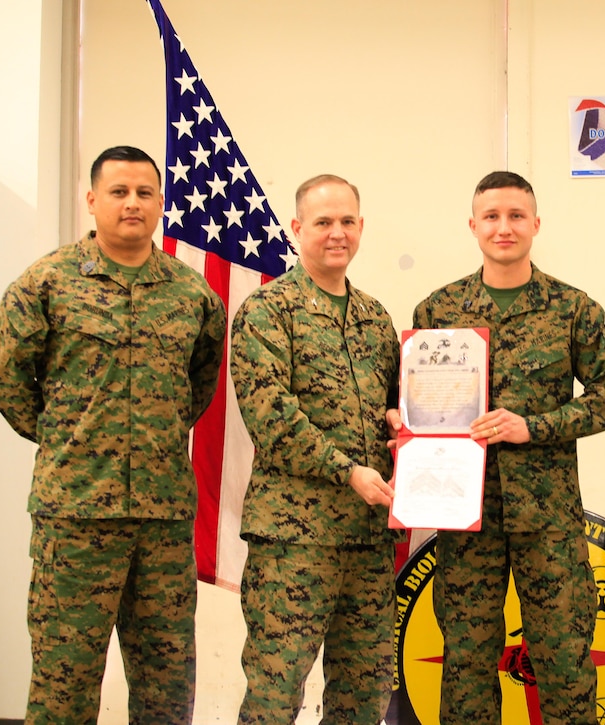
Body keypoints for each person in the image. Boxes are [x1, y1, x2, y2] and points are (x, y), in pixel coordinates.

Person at [0, 145, 227, 723]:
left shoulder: (191, 295)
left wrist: (153, 435)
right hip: (75, 519)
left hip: (162, 523)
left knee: (166, 689)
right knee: (64, 687)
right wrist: (65, 434)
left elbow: (201, 380)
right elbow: (0, 372)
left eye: (144, 192)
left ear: (161, 202)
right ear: (92, 200)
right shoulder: (48, 281)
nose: (132, 203)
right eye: (118, 192)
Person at [408, 171, 605, 723]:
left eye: (515, 216)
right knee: (465, 664)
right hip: (465, 514)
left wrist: (537, 426)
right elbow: (415, 405)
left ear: (536, 223)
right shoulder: (438, 310)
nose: (503, 227)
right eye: (491, 216)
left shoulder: (572, 309)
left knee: (563, 663)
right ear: (473, 225)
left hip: (548, 517)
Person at [230, 174, 400, 724]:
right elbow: (272, 417)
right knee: (276, 695)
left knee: (365, 694)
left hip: (368, 539)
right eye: (323, 222)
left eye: (347, 221)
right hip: (294, 542)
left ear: (361, 228)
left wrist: (408, 431)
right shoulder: (267, 311)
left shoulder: (376, 319)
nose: (337, 234)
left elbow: (398, 409)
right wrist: (347, 470)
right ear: (298, 227)